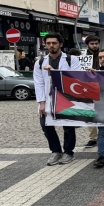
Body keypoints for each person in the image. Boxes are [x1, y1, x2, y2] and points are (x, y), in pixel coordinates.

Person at [33, 33, 81, 166]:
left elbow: (74, 79)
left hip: (66, 99)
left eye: (54, 43)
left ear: (60, 44)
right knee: (46, 125)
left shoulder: (72, 60)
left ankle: (69, 152)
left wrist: (55, 71)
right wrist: (41, 102)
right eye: (48, 43)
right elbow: (39, 83)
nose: (51, 46)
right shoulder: (40, 62)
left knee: (68, 127)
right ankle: (55, 151)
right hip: (48, 99)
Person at [82, 36, 101, 148]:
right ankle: (93, 138)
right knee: (89, 113)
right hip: (88, 87)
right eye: (92, 44)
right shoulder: (83, 58)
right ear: (87, 45)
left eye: (96, 43)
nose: (94, 45)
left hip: (103, 87)